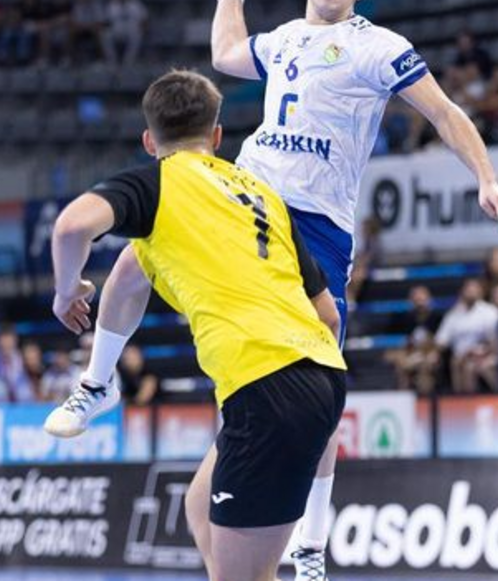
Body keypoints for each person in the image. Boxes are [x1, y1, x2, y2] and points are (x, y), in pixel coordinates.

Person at [62, 0, 498, 581]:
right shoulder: (282, 41)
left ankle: (312, 543)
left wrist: (486, 176)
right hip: (249, 201)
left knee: (320, 361)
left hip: (316, 225)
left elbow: (445, 113)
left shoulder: (377, 47)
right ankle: (97, 382)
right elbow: (224, 50)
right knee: (138, 254)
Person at [42, 70, 347, 581]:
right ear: (217, 136)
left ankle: (97, 383)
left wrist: (66, 291)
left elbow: (72, 226)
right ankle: (97, 384)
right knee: (199, 507)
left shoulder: (159, 183)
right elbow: (328, 314)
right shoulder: (260, 195)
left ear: (149, 141)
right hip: (318, 370)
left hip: (266, 386)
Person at [435, 278, 498, 394]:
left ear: (480, 292)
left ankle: (471, 400)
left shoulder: (490, 311)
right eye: (468, 290)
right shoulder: (453, 315)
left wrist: (481, 351)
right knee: (456, 361)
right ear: (462, 292)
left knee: (469, 366)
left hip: (483, 353)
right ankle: (459, 399)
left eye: (474, 289)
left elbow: (495, 340)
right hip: (458, 356)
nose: (471, 292)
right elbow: (441, 340)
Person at [384, 285, 443, 394]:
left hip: (429, 355)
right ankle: (403, 397)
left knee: (425, 367)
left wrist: (433, 352)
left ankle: (425, 398)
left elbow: (441, 342)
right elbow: (392, 345)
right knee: (401, 366)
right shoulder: (403, 320)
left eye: (422, 298)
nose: (420, 302)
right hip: (410, 355)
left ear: (429, 300)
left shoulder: (438, 318)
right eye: (416, 299)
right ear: (410, 301)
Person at [0, 322, 35, 403]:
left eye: (8, 340)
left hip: (25, 403)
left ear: (15, 340)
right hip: (2, 403)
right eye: (3, 341)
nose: (6, 344)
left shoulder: (24, 358)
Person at [103, 0, 148, 67]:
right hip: (116, 31)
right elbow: (106, 21)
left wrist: (142, 29)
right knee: (106, 35)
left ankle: (129, 61)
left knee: (137, 35)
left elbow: (144, 19)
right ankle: (112, 61)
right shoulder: (111, 5)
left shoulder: (136, 4)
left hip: (131, 30)